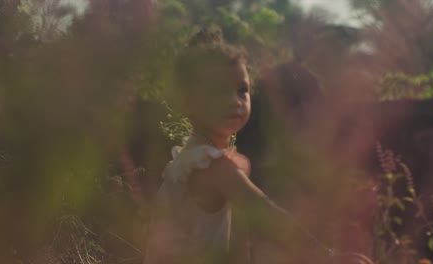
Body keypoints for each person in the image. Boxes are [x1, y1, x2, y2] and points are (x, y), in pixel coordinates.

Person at [142, 27, 358, 264]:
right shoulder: (215, 166)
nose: (234, 101)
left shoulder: (186, 160)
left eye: (242, 90)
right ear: (187, 101)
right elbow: (267, 217)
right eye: (218, 91)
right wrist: (329, 257)